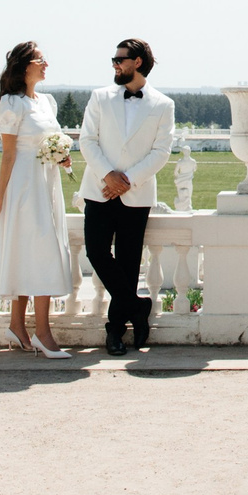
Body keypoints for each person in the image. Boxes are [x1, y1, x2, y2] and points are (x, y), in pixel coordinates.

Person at [77, 38, 176, 355]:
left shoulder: (162, 104)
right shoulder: (99, 97)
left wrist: (127, 180)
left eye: (119, 59)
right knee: (96, 252)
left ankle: (115, 332)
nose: (115, 65)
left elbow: (161, 152)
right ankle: (137, 306)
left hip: (137, 194)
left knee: (129, 263)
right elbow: (87, 141)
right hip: (99, 189)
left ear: (137, 62)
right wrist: (108, 175)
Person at [0, 41, 74, 356]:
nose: (46, 63)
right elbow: (8, 155)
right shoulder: (11, 104)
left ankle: (17, 326)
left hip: (46, 183)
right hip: (23, 185)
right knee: (38, 251)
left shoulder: (47, 101)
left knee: (33, 251)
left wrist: (61, 157)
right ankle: (42, 333)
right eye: (40, 59)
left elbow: (50, 139)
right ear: (24, 66)